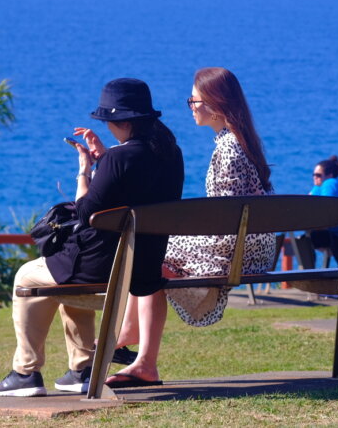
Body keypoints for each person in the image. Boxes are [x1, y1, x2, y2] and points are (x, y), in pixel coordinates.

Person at [0, 78, 183, 398]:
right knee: (61, 276)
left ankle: (26, 372)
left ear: (119, 121)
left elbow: (85, 212)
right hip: (144, 268)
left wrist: (86, 169)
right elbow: (128, 186)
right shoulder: (169, 154)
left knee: (27, 275)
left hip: (103, 267)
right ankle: (81, 368)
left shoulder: (117, 159)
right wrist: (105, 160)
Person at [107, 67, 274, 388]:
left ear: (216, 103)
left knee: (149, 253)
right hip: (254, 247)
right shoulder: (244, 142)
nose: (191, 107)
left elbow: (226, 219)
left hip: (238, 251)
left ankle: (140, 354)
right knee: (151, 250)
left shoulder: (228, 149)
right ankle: (132, 338)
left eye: (194, 100)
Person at [306, 155, 338, 266]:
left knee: (304, 241)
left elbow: (325, 205)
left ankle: (310, 275)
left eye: (318, 175)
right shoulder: (324, 186)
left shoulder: (329, 183)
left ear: (329, 175)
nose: (315, 177)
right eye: (314, 175)